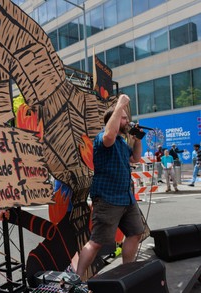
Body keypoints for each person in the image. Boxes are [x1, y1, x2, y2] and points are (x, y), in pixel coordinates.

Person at [76, 94, 144, 280]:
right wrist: (120, 104)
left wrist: (137, 139)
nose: (127, 120)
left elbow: (135, 159)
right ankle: (77, 280)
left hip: (126, 198)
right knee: (97, 242)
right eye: (123, 117)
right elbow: (109, 134)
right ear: (113, 119)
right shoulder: (103, 138)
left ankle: (126, 272)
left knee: (135, 233)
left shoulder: (122, 142)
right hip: (108, 198)